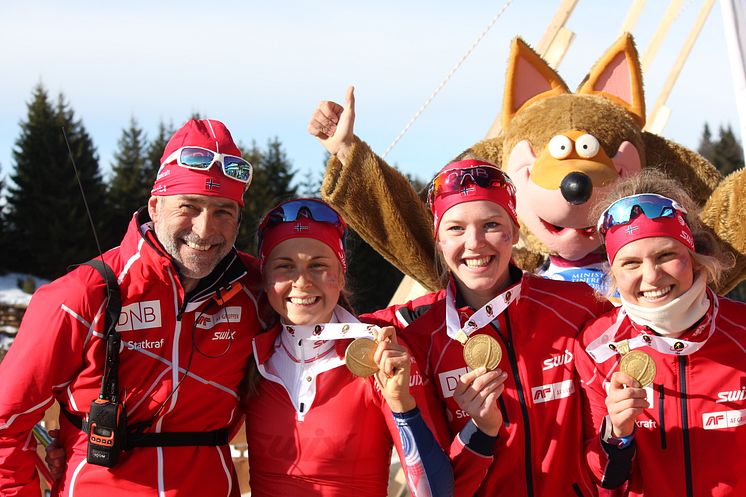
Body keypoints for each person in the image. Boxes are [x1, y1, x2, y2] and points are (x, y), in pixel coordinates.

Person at [0, 119, 263, 496]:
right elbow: (5, 423)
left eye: (223, 211)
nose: (206, 230)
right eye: (188, 206)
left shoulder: (258, 289)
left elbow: (337, 319)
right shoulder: (82, 296)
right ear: (155, 206)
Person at [242, 197, 454, 497]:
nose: (301, 282)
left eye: (318, 266)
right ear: (265, 278)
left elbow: (437, 491)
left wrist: (401, 403)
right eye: (285, 267)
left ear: (341, 275)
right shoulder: (249, 355)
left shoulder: (377, 354)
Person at [574, 170, 746, 497]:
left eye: (666, 255)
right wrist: (617, 434)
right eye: (631, 263)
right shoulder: (598, 347)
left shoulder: (742, 330)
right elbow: (606, 484)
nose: (651, 277)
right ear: (613, 272)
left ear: (693, 256)